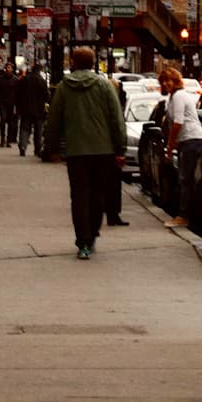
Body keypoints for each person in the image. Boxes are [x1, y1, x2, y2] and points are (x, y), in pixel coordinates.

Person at [42, 45, 126, 259]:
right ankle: (92, 235)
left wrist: (51, 147)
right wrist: (120, 147)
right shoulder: (104, 86)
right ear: (93, 62)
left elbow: (53, 120)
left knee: (79, 195)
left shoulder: (63, 87)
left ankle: (83, 241)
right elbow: (116, 119)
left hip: (76, 150)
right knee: (97, 195)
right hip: (103, 150)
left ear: (73, 63)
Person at [159, 64, 202, 230]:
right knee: (187, 178)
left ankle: (183, 216)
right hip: (188, 140)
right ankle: (188, 214)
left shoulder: (179, 96)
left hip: (191, 139)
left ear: (176, 81)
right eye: (164, 81)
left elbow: (178, 122)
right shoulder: (172, 97)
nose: (166, 84)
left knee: (186, 179)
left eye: (169, 80)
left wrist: (170, 145)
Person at [15, 64, 51, 158]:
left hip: (25, 109)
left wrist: (18, 107)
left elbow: (17, 94)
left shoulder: (23, 80)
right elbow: (47, 95)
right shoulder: (42, 81)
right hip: (38, 110)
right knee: (38, 130)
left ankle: (23, 146)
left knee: (24, 129)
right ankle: (37, 149)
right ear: (39, 71)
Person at [0, 63, 19, 147]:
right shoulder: (0, 79)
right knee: (3, 120)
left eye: (10, 68)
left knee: (11, 122)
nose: (8, 69)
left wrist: (17, 104)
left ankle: (8, 140)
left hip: (12, 103)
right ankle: (2, 138)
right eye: (7, 67)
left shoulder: (15, 80)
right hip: (2, 103)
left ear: (12, 69)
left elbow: (18, 93)